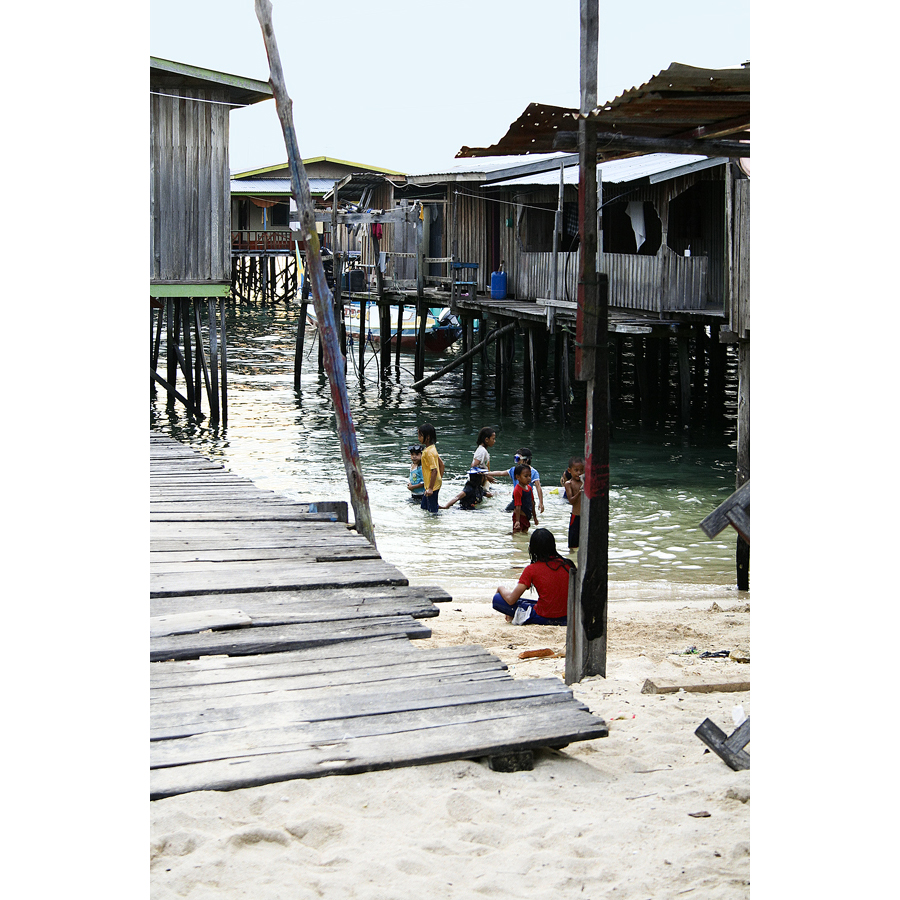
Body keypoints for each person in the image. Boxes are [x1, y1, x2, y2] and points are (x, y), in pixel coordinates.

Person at [492, 528, 574, 625]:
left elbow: (511, 600)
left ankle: (514, 615)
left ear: (532, 548)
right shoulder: (568, 565)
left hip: (543, 617)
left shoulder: (531, 569)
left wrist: (500, 588)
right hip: (568, 616)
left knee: (497, 599)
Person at [486, 447, 545, 513]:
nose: (517, 461)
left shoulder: (533, 472)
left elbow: (538, 487)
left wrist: (541, 503)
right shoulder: (514, 470)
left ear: (527, 460)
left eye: (518, 459)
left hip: (527, 501)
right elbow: (501, 473)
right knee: (505, 513)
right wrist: (486, 473)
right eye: (516, 459)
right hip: (517, 500)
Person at [417, 422, 444, 512]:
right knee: (423, 508)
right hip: (432, 484)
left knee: (433, 512)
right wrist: (439, 479)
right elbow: (442, 464)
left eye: (420, 436)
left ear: (427, 437)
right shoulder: (433, 448)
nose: (418, 438)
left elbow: (434, 470)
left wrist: (431, 488)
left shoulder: (428, 452)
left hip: (432, 486)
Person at [564, 456, 585, 549]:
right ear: (569, 470)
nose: (579, 473)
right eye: (576, 470)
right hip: (575, 516)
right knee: (573, 545)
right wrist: (580, 493)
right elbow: (571, 501)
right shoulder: (569, 484)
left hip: (586, 517)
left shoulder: (585, 482)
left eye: (581, 470)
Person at [511, 463, 538, 534]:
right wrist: (517, 521)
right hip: (519, 517)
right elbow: (518, 506)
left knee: (525, 533)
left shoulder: (529, 488)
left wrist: (535, 517)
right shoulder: (517, 489)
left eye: (530, 476)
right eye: (526, 476)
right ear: (518, 477)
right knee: (517, 534)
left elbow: (532, 502)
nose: (529, 478)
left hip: (527, 516)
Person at [471, 427, 497, 497]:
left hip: (482, 480)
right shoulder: (482, 451)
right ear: (486, 439)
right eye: (493, 439)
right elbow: (474, 466)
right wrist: (487, 476)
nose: (494, 441)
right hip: (478, 481)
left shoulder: (482, 450)